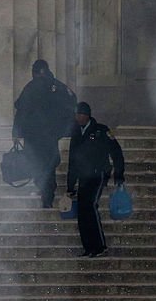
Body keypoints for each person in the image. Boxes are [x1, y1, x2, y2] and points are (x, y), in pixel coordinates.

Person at [11, 59, 76, 208]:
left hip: (34, 135)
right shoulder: (58, 86)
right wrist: (63, 129)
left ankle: (44, 191)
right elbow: (71, 102)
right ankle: (47, 194)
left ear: (36, 72)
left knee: (37, 164)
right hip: (51, 135)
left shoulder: (32, 87)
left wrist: (16, 133)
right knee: (49, 164)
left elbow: (22, 110)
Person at [66, 101, 125, 258]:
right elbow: (72, 160)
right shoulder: (76, 133)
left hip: (98, 174)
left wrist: (118, 175)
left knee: (90, 206)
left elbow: (116, 153)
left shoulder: (101, 131)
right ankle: (88, 247)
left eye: (80, 114)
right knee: (82, 211)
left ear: (87, 115)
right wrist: (70, 186)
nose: (77, 117)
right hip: (84, 176)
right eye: (76, 114)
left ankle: (99, 246)